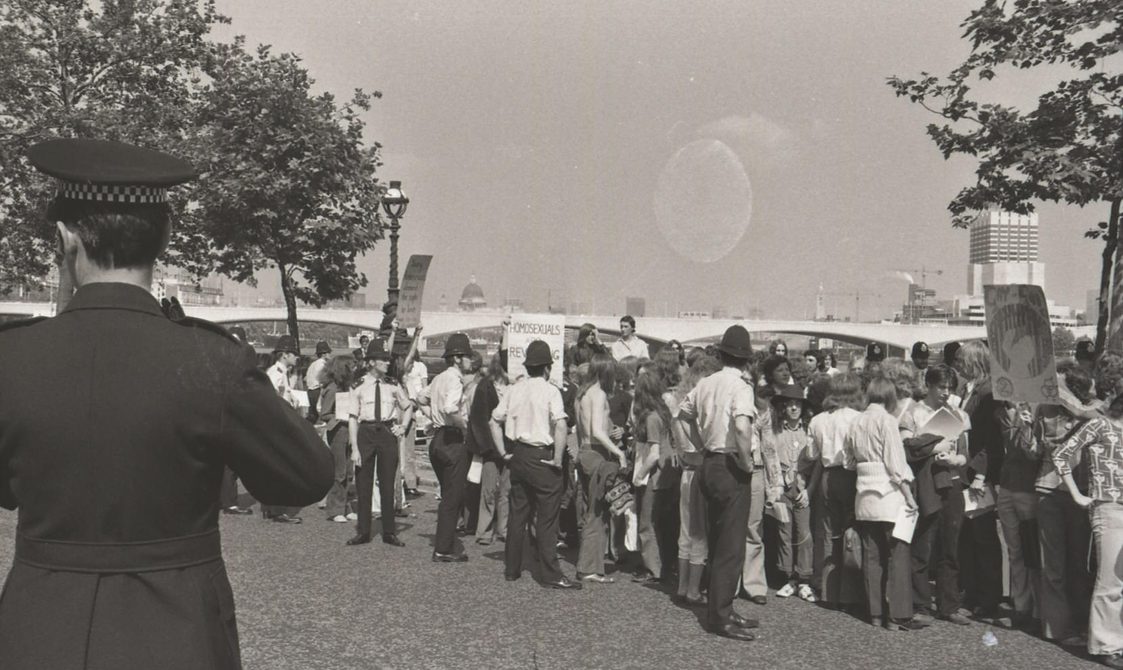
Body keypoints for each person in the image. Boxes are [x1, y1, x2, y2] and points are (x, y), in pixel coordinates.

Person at [0, 138, 332, 670]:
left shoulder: (12, 357)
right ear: (166, 236)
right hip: (176, 630)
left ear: (64, 239)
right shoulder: (211, 360)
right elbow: (306, 477)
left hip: (41, 628)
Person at [678, 325, 773, 641]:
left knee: (716, 541)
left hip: (709, 463)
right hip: (731, 464)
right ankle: (720, 616)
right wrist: (746, 463)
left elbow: (683, 415)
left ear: (721, 355)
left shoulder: (706, 383)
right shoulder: (741, 387)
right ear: (746, 359)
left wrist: (700, 444)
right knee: (731, 545)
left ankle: (723, 607)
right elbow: (743, 427)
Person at [489, 340, 581, 589]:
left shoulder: (514, 389)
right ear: (548, 368)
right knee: (547, 518)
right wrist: (557, 459)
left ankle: (512, 568)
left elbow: (493, 421)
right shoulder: (551, 391)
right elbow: (561, 425)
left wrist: (503, 452)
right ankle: (551, 574)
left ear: (528, 366)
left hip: (518, 454)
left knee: (518, 514)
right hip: (542, 455)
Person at [846, 377, 927, 631]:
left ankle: (876, 613)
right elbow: (895, 464)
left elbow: (848, 461)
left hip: (864, 494)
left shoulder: (856, 421)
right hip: (890, 494)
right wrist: (910, 496)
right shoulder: (888, 422)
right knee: (897, 553)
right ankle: (898, 615)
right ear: (890, 397)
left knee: (872, 555)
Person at [1052, 382, 1123, 669]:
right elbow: (1061, 454)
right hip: (1108, 508)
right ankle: (1107, 644)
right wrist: (1077, 494)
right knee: (1110, 580)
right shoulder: (1100, 426)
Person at [899, 364, 974, 625]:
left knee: (950, 544)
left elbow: (966, 453)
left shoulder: (958, 414)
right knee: (923, 544)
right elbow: (906, 449)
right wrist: (933, 448)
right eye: (941, 387)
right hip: (925, 484)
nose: (945, 393)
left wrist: (956, 459)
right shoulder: (912, 413)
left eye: (949, 388)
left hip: (952, 482)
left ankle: (948, 604)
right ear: (929, 385)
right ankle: (920, 605)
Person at [954, 340, 1005, 620]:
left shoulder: (988, 392)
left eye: (963, 360)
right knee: (968, 538)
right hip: (965, 470)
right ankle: (971, 592)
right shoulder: (967, 388)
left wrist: (982, 473)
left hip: (978, 472)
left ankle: (988, 597)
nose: (959, 365)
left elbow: (990, 437)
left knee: (983, 537)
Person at [805, 372, 865, 609]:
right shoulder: (858, 418)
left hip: (827, 476)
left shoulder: (818, 420)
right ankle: (850, 592)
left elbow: (811, 454)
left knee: (828, 532)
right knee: (852, 530)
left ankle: (828, 591)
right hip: (851, 475)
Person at [346, 339, 410, 547]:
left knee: (387, 484)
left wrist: (402, 427)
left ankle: (389, 532)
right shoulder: (358, 386)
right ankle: (363, 531)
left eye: (387, 359)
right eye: (382, 359)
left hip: (387, 433)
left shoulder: (392, 384)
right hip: (365, 433)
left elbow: (408, 406)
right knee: (363, 483)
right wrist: (354, 448)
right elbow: (353, 418)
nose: (387, 363)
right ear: (371, 362)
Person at [575, 353, 628, 583]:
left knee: (592, 508)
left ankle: (590, 564)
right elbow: (597, 430)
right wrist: (618, 452)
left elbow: (584, 430)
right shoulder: (598, 394)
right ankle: (590, 568)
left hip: (585, 451)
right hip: (598, 453)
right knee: (597, 513)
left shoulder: (582, 394)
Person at [673, 353, 720, 605]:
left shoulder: (678, 404)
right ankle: (693, 589)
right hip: (700, 470)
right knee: (700, 534)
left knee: (685, 532)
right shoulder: (698, 410)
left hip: (685, 472)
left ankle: (682, 586)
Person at [423, 332, 475, 562]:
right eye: (466, 357)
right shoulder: (455, 380)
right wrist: (464, 427)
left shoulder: (438, 379)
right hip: (453, 439)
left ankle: (446, 540)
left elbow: (420, 397)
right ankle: (443, 548)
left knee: (447, 494)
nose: (469, 361)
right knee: (453, 497)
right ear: (457, 358)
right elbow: (451, 408)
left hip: (437, 440)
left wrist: (431, 416)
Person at [766, 384, 816, 602]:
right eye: (790, 404)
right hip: (782, 486)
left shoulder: (809, 430)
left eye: (798, 404)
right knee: (784, 531)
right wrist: (776, 486)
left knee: (804, 533)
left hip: (803, 486)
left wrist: (808, 488)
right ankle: (789, 578)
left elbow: (817, 461)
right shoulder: (776, 431)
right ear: (783, 407)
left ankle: (804, 579)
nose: (794, 408)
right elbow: (771, 458)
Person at [631, 370, 679, 584]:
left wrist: (639, 475)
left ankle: (652, 568)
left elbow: (653, 454)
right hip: (669, 474)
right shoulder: (664, 413)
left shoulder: (650, 418)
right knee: (665, 524)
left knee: (647, 523)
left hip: (655, 475)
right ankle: (666, 565)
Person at [262, 335, 307, 524]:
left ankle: (272, 507)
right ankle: (278, 510)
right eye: (294, 354)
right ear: (285, 355)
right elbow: (269, 399)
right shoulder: (276, 374)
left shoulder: (283, 373)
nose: (297, 357)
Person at [470, 352, 511, 545]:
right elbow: (478, 419)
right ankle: (485, 530)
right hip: (490, 447)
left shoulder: (514, 387)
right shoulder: (485, 386)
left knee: (506, 491)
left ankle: (503, 529)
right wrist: (486, 446)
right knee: (488, 490)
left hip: (510, 446)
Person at [219, 325, 256, 516]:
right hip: (230, 416)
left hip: (224, 415)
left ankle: (222, 499)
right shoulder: (240, 365)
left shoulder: (221, 362)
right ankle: (229, 502)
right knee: (230, 463)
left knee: (224, 462)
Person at [320, 354, 360, 523]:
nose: (356, 369)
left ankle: (345, 506)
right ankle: (335, 508)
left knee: (349, 472)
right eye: (353, 366)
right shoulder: (333, 388)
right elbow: (324, 414)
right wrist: (340, 417)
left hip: (349, 430)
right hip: (338, 431)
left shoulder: (348, 387)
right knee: (340, 472)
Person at [305, 340, 332, 420]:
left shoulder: (313, 364)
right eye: (328, 353)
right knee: (321, 413)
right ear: (324, 354)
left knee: (313, 415)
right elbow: (322, 379)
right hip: (317, 391)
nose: (330, 355)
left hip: (310, 391)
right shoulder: (322, 364)